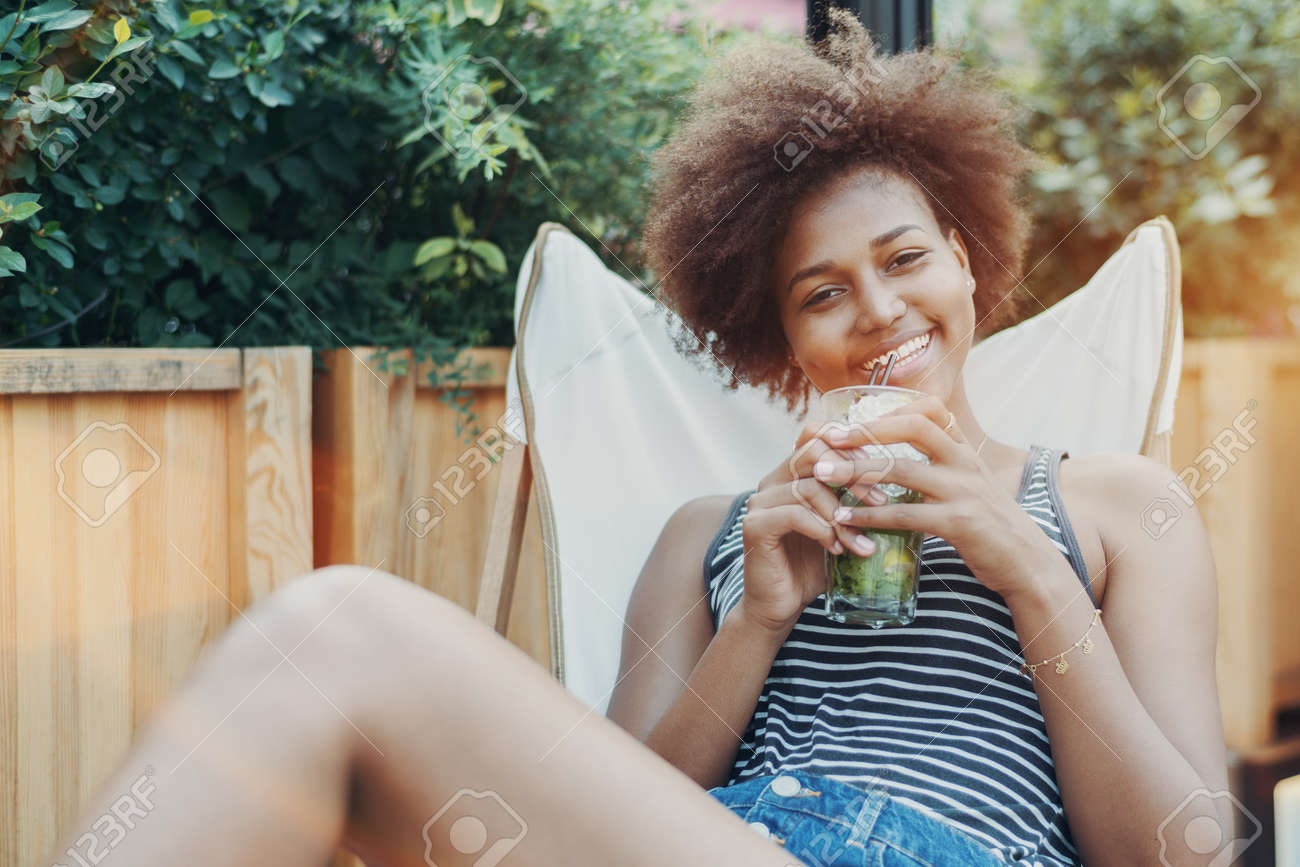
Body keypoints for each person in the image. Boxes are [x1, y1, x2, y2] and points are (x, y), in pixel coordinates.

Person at [47, 10, 1226, 867]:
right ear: (781, 337)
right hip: (726, 839)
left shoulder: (1117, 506)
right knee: (320, 648)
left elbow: (1185, 849)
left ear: (963, 263)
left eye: (905, 259)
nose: (877, 310)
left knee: (342, 627)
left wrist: (1026, 568)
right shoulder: (709, 537)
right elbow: (606, 809)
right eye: (821, 294)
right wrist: (756, 616)